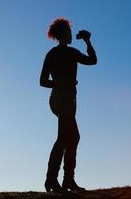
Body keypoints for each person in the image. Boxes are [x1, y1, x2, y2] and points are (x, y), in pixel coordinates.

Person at [40, 17, 97, 193]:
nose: (72, 35)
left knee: (72, 137)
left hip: (66, 99)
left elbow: (92, 61)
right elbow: (43, 81)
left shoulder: (66, 53)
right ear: (64, 34)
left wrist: (88, 41)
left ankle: (67, 181)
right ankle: (52, 181)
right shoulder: (59, 53)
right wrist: (61, 84)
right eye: (70, 32)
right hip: (61, 98)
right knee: (65, 137)